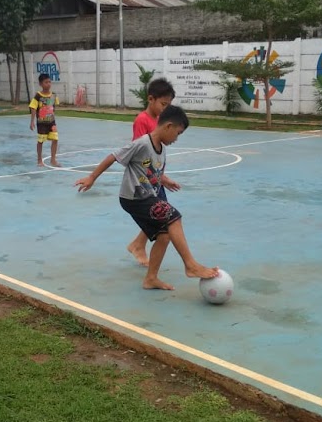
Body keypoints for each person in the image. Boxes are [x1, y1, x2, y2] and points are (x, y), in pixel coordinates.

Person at [75, 105, 219, 291]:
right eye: (178, 133)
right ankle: (190, 265)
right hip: (134, 198)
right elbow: (113, 156)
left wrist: (164, 180)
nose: (177, 138)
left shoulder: (162, 150)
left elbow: (152, 171)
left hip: (147, 196)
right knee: (174, 216)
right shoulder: (142, 143)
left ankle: (151, 279)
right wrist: (92, 177)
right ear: (168, 126)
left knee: (164, 235)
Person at [127, 78, 179, 267]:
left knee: (161, 212)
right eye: (163, 104)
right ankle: (138, 246)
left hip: (155, 179)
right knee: (157, 215)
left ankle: (138, 244)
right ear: (151, 99)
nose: (166, 108)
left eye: (169, 105)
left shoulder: (160, 120)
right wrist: (155, 178)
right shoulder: (142, 120)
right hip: (145, 180)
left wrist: (162, 178)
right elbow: (139, 153)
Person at [29, 73, 62, 167]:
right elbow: (33, 108)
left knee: (55, 139)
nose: (48, 84)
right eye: (46, 82)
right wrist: (32, 122)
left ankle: (53, 159)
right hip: (41, 123)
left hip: (52, 122)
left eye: (49, 82)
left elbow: (53, 107)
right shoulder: (38, 96)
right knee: (41, 141)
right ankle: (39, 160)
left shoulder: (54, 95)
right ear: (40, 84)